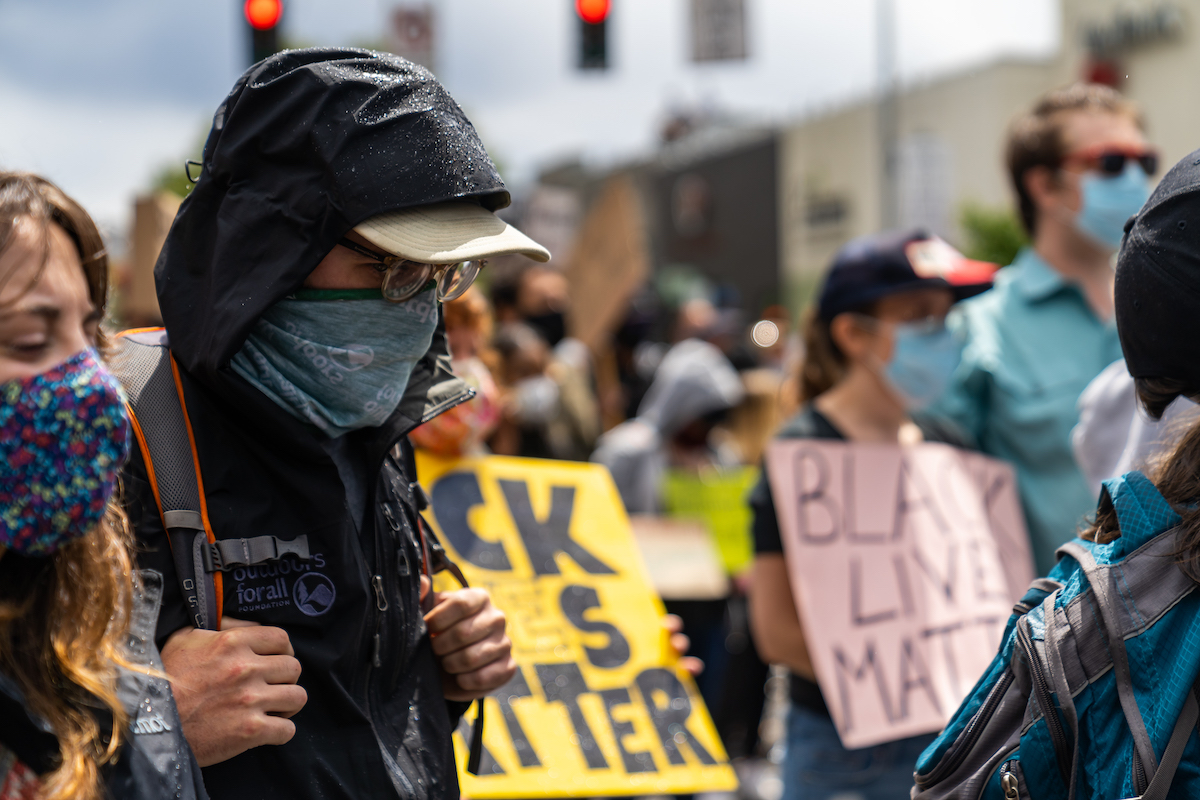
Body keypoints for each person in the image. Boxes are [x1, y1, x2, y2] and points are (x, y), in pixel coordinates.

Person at [119, 49, 546, 799]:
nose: (418, 307)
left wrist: (437, 673)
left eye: (442, 277)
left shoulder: (372, 420)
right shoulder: (111, 430)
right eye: (390, 268)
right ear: (275, 249)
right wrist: (150, 723)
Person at [746, 229, 993, 800]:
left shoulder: (954, 446)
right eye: (920, 317)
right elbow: (776, 631)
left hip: (956, 738)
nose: (946, 333)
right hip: (840, 755)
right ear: (854, 333)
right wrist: (896, 684)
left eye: (947, 316)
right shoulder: (801, 456)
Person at [0, 172, 206, 799]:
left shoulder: (91, 632)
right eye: (32, 338)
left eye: (89, 336)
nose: (94, 384)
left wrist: (156, 725)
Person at [935, 82, 1155, 574]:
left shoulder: (1174, 307)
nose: (1137, 178)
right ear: (1044, 186)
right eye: (1113, 163)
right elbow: (933, 501)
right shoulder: (978, 327)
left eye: (1146, 161)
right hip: (1045, 634)